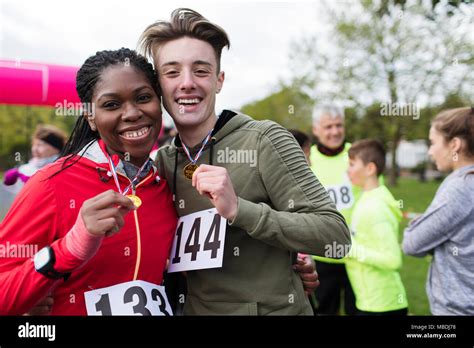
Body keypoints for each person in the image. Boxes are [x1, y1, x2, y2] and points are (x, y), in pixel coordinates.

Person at [140, 8, 350, 315]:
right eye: (172, 72)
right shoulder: (163, 162)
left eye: (200, 70)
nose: (186, 83)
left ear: (219, 80)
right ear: (159, 85)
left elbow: (336, 235)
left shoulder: (265, 140)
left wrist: (241, 210)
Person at [0, 48, 178, 315]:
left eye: (143, 98)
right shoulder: (50, 183)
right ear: (90, 118)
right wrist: (68, 249)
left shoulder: (166, 185)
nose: (131, 113)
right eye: (111, 104)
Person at [402, 107, 474, 315]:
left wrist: (423, 220)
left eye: (433, 143)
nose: (430, 151)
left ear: (455, 145)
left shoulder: (459, 188)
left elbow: (412, 243)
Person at [345, 139, 408, 315]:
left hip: (383, 305)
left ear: (370, 169)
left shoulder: (375, 207)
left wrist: (352, 249)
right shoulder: (368, 198)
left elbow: (392, 259)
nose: (347, 171)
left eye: (351, 165)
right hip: (370, 302)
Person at [308, 104, 357, 315]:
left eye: (339, 125)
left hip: (358, 253)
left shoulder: (357, 154)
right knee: (326, 310)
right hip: (322, 252)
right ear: (315, 129)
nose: (335, 131)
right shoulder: (305, 159)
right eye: (328, 127)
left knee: (359, 309)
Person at [0, 125, 67, 220]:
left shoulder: (61, 167)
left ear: (55, 148)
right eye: (34, 144)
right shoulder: (26, 168)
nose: (35, 148)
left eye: (40, 145)